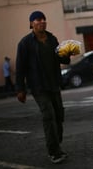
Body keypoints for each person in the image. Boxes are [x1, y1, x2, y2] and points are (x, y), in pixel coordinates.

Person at [15, 10, 71, 164]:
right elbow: (20, 67)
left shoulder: (52, 39)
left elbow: (63, 59)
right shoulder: (25, 43)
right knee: (49, 116)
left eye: (43, 19)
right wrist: (20, 89)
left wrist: (67, 53)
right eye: (38, 20)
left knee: (59, 115)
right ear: (31, 23)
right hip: (39, 87)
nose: (42, 22)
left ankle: (56, 145)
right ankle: (53, 152)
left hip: (54, 84)